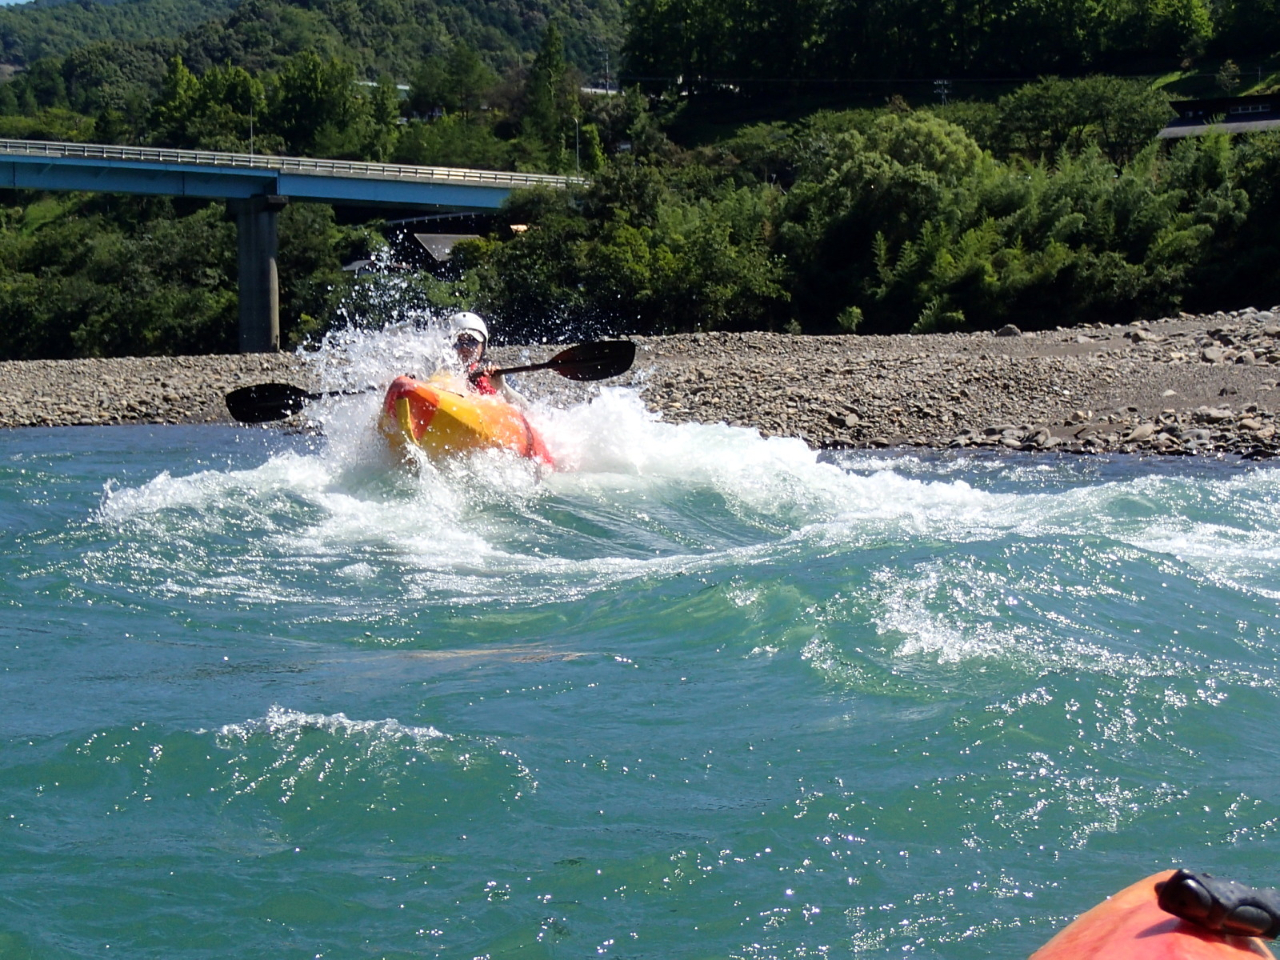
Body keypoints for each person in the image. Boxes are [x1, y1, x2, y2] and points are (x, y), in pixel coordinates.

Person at [448, 311, 527, 408]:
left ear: (483, 346)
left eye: (472, 341)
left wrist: (502, 388)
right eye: (458, 342)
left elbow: (526, 408)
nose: (464, 348)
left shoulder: (500, 375)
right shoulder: (442, 372)